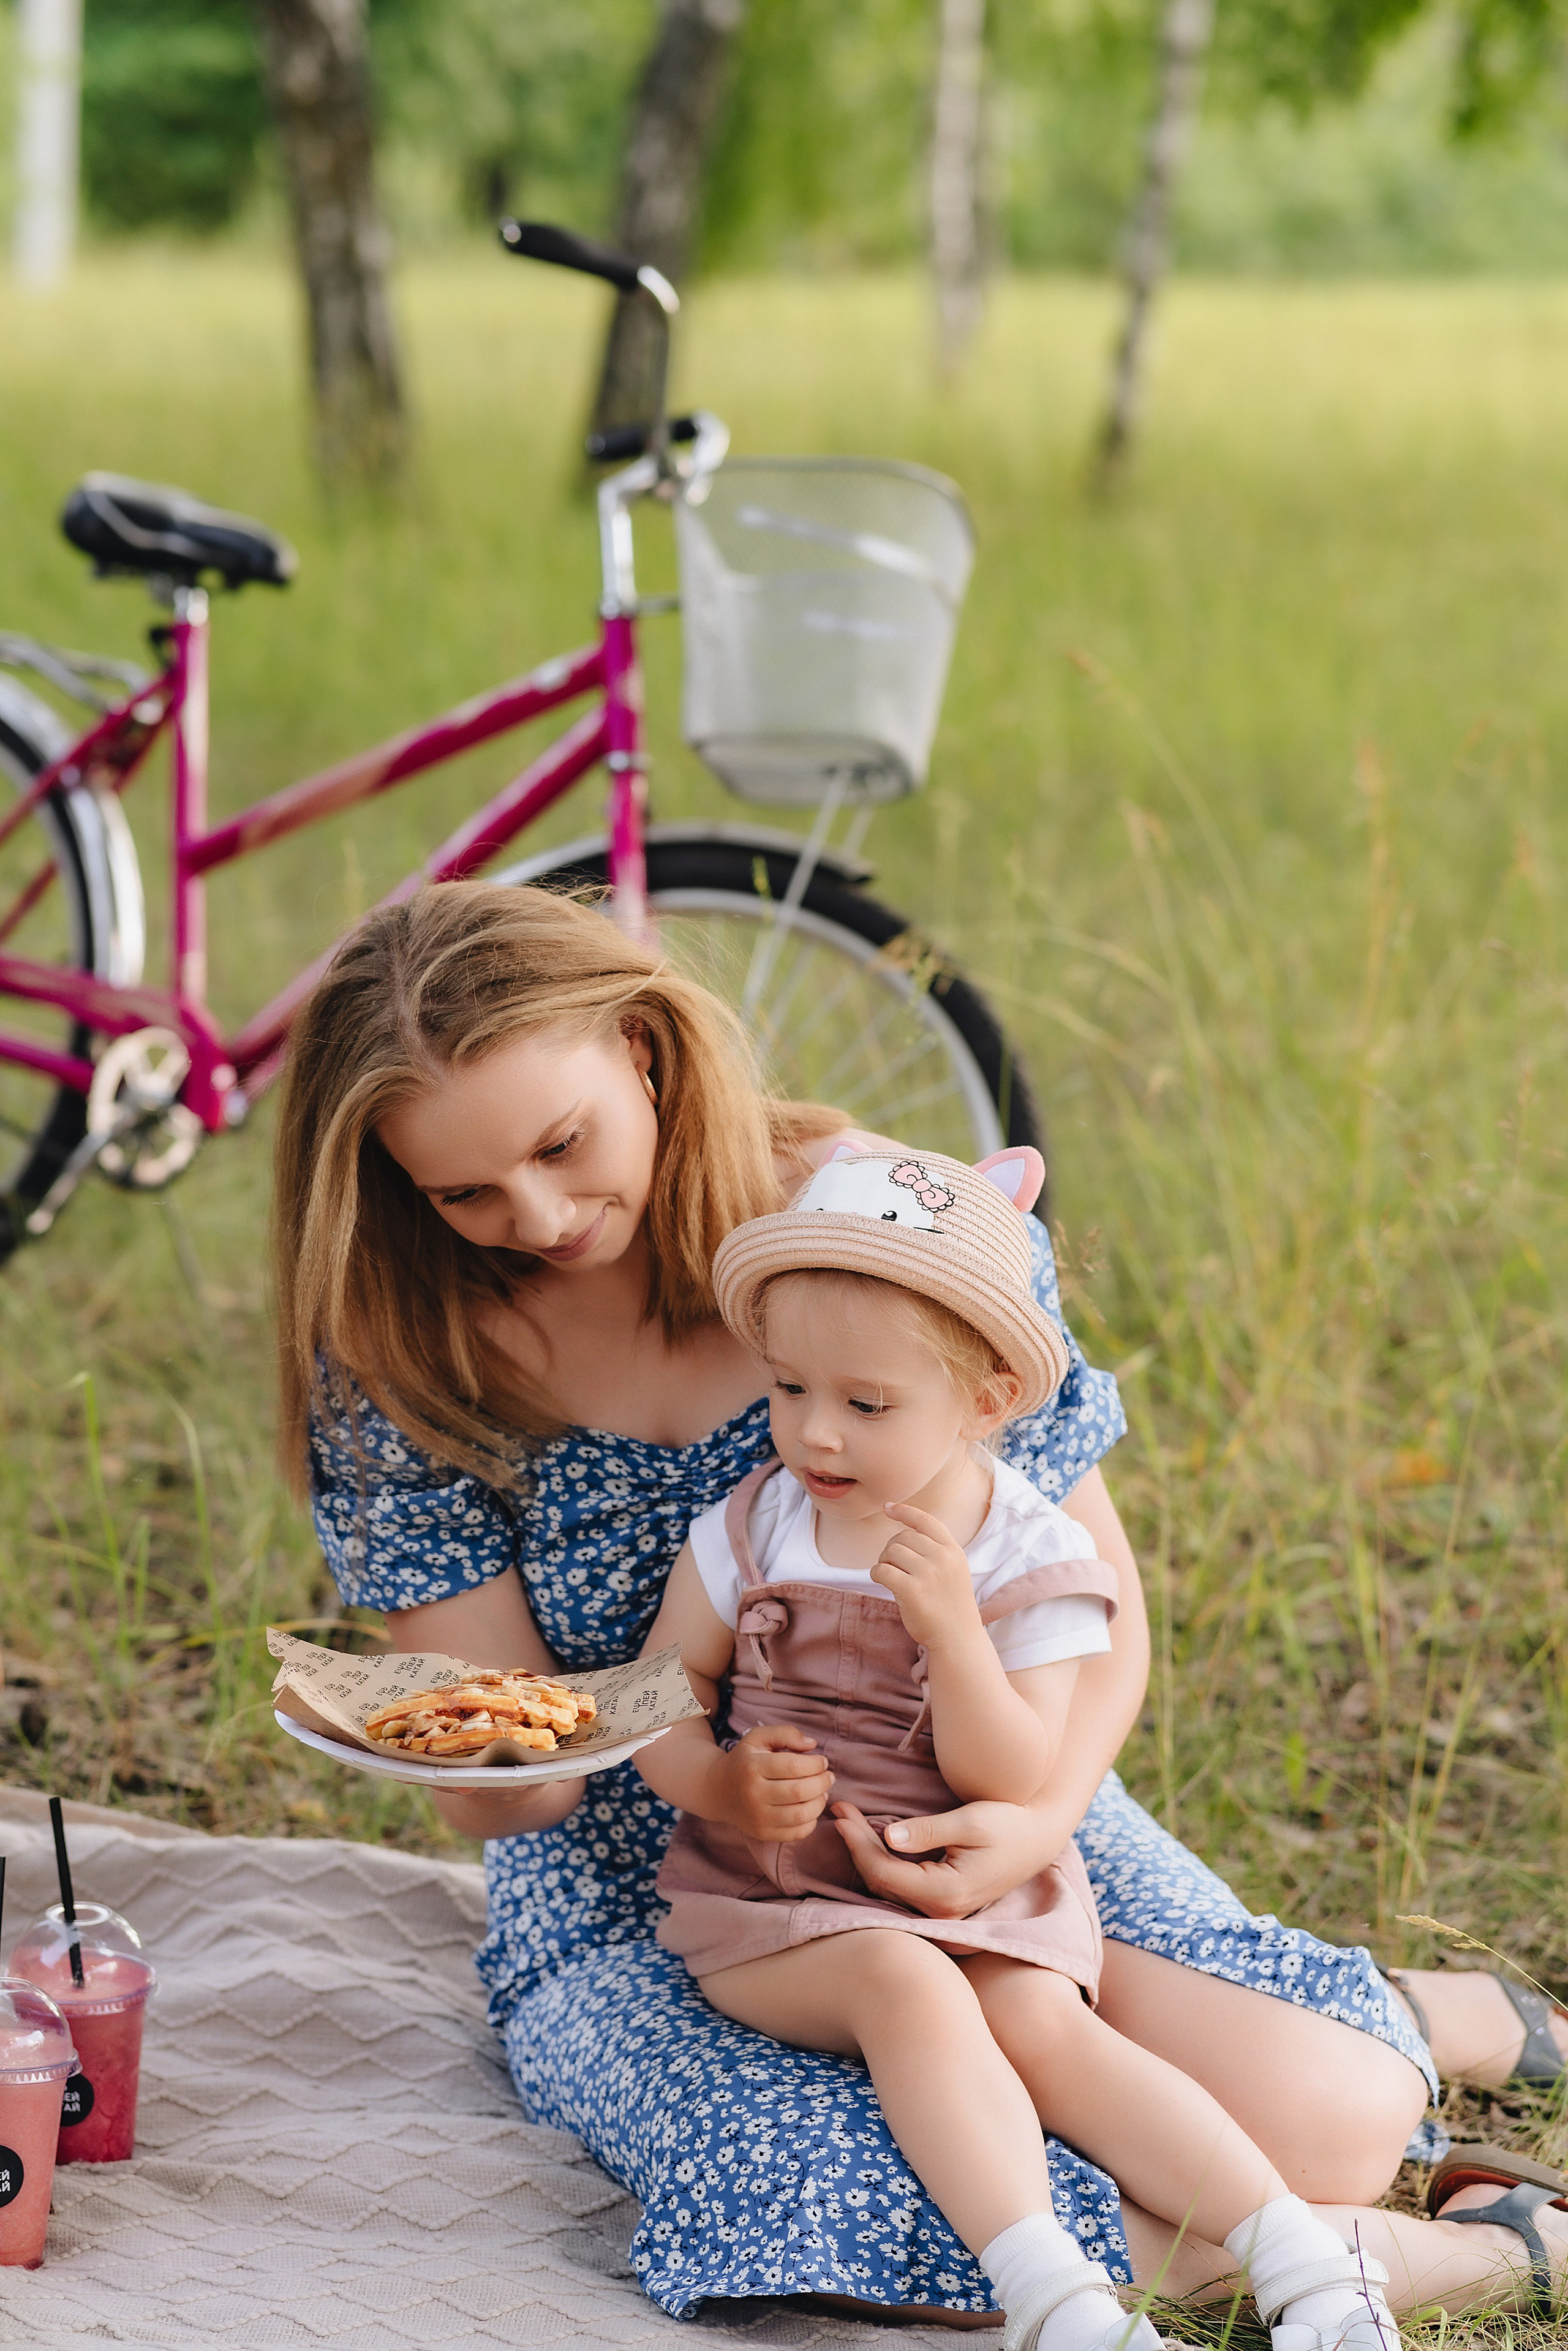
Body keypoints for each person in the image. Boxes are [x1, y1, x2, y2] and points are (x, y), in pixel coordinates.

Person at [273, 880, 1568, 2328]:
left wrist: (1029, 1817)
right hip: (657, 1879)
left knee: (1332, 2110)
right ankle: (1454, 2251)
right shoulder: (401, 1346)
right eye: (465, 1192)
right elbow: (514, 1764)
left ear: (642, 1048)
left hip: (960, 1786)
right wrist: (478, 1763)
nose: (540, 1215)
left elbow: (1092, 1603)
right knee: (816, 2181)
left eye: (562, 1145)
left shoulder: (874, 1218)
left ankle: (1420, 2017)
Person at [638, 1143, 1406, 2351]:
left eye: (865, 1403)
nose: (814, 1435)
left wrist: (951, 1629)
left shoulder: (1020, 1556)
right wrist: (716, 1776)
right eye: (787, 1388)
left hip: (971, 1881)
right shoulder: (753, 1527)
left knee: (1047, 2028)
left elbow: (1009, 1770)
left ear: (985, 1401)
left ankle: (1299, 2255)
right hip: (774, 1898)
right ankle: (1052, 2293)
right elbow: (660, 1683)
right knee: (903, 1986)